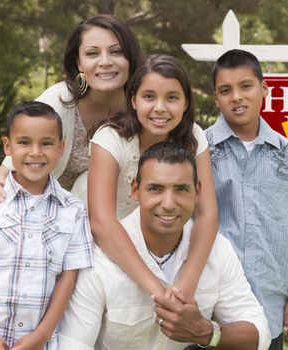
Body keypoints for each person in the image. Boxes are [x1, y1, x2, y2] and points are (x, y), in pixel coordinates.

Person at [58, 142, 271, 350]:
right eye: (155, 189)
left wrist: (205, 332)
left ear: (197, 192)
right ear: (135, 190)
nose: (169, 203)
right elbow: (73, 344)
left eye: (181, 189)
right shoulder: (98, 261)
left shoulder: (217, 250)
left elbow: (259, 334)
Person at [0, 101, 94, 350]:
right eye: (24, 142)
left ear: (61, 147)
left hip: (37, 342)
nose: (35, 152)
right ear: (8, 146)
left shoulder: (73, 210)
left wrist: (42, 335)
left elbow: (68, 278)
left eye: (46, 143)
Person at [205, 49, 288, 349]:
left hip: (271, 298)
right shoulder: (201, 149)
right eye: (226, 91)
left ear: (264, 89)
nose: (237, 97)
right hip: (215, 301)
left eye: (246, 86)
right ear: (216, 98)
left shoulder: (286, 154)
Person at [0, 14, 142, 203]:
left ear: (130, 58)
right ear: (79, 63)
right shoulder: (57, 103)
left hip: (117, 214)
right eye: (92, 53)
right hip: (48, 216)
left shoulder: (143, 105)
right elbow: (12, 164)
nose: (105, 61)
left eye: (116, 51)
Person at [88, 54, 218, 298]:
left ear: (186, 103)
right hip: (110, 247)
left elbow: (207, 214)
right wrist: (157, 289)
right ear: (134, 100)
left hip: (166, 243)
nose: (160, 108)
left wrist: (184, 287)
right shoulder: (110, 139)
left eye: (172, 98)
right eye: (149, 97)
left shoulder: (194, 135)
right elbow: (101, 221)